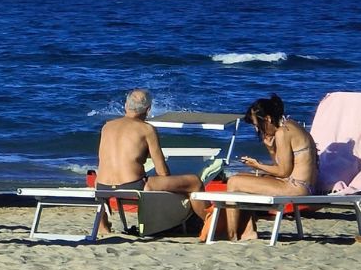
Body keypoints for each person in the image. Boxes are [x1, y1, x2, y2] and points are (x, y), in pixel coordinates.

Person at [96, 89, 207, 232]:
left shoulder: (107, 126)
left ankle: (103, 225)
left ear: (125, 106)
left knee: (101, 177)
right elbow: (162, 171)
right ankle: (208, 223)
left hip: (102, 186)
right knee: (194, 182)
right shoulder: (146, 129)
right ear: (148, 110)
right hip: (133, 186)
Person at [224, 94, 319, 240]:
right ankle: (247, 231)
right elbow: (283, 167)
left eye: (257, 125)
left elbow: (282, 171)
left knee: (233, 182)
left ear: (267, 119)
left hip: (296, 187)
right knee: (242, 177)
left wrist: (258, 165)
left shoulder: (282, 133)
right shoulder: (291, 126)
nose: (257, 130)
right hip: (302, 185)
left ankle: (232, 235)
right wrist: (271, 149)